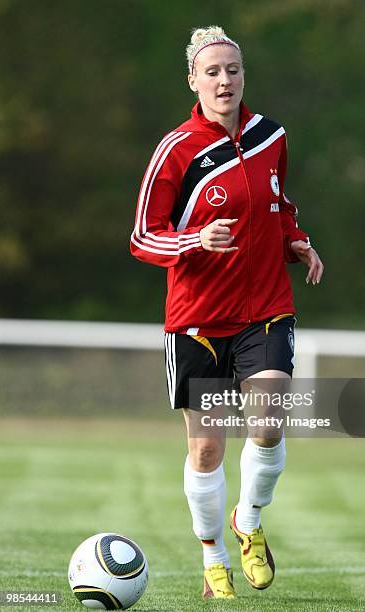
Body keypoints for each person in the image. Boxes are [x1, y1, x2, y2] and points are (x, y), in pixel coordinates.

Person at [130, 25, 324, 599]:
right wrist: (194, 241)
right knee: (207, 447)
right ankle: (214, 557)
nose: (224, 80)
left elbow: (278, 202)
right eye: (212, 71)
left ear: (244, 77)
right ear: (193, 80)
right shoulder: (177, 150)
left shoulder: (271, 136)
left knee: (267, 421)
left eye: (232, 70)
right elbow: (143, 235)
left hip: (265, 308)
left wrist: (297, 239)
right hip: (196, 320)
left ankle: (250, 519)